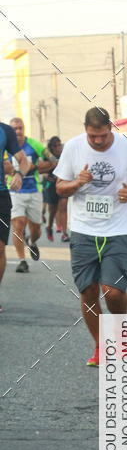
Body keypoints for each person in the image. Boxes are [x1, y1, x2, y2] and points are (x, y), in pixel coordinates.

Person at [54, 107, 127, 366]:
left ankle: (118, 335)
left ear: (110, 129)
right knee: (89, 291)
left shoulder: (126, 146)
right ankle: (101, 345)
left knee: (113, 291)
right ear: (86, 130)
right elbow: (60, 188)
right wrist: (77, 183)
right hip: (83, 230)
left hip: (117, 229)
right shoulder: (73, 148)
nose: (98, 141)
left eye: (103, 136)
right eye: (93, 136)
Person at [5, 118, 55, 273]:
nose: (18, 131)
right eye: (14, 128)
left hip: (34, 191)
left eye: (20, 128)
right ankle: (22, 261)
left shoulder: (35, 145)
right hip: (14, 192)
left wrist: (35, 167)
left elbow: (53, 161)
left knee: (36, 229)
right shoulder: (5, 146)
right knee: (18, 225)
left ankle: (32, 242)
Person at [0, 121, 29, 311]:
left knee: (0, 248)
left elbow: (23, 160)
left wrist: (19, 173)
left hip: (1, 195)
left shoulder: (5, 130)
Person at [42, 136, 69, 243]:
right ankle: (49, 227)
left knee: (63, 207)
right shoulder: (47, 155)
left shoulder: (64, 153)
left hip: (63, 182)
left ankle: (65, 233)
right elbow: (41, 169)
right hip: (52, 184)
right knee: (53, 210)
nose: (58, 147)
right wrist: (46, 174)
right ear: (51, 147)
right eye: (55, 146)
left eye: (59, 145)